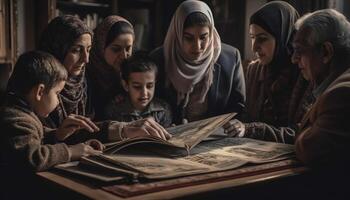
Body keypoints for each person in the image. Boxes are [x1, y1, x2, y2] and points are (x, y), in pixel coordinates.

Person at [39, 15, 170, 143]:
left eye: (88, 50)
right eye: (76, 50)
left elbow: (87, 130)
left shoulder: (83, 83)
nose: (86, 59)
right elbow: (43, 139)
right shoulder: (40, 87)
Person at [0, 51, 103, 198]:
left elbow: (33, 139)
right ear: (40, 91)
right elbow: (32, 158)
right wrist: (71, 151)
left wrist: (56, 134)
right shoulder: (16, 119)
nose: (58, 100)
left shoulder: (20, 111)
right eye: (57, 93)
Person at [223, 1, 313, 144]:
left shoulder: (305, 73)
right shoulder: (254, 70)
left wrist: (250, 130)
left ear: (283, 37)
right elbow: (247, 118)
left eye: (262, 39)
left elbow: (301, 132)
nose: (254, 47)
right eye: (252, 37)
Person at [150, 0, 245, 125]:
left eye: (203, 37)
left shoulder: (230, 59)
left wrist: (237, 125)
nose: (197, 47)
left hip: (217, 138)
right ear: (177, 34)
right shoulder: (158, 59)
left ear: (211, 33)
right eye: (189, 38)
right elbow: (148, 106)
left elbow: (239, 107)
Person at [291, 9, 350, 168]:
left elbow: (310, 149)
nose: (294, 59)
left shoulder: (341, 94)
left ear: (326, 52)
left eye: (299, 50)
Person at [104, 54, 172, 127]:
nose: (144, 93)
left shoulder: (163, 110)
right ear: (125, 85)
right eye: (137, 87)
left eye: (149, 86)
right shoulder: (114, 111)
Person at [87, 15, 135, 120]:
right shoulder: (86, 77)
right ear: (101, 46)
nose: (124, 55)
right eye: (116, 49)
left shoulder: (131, 73)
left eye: (128, 48)